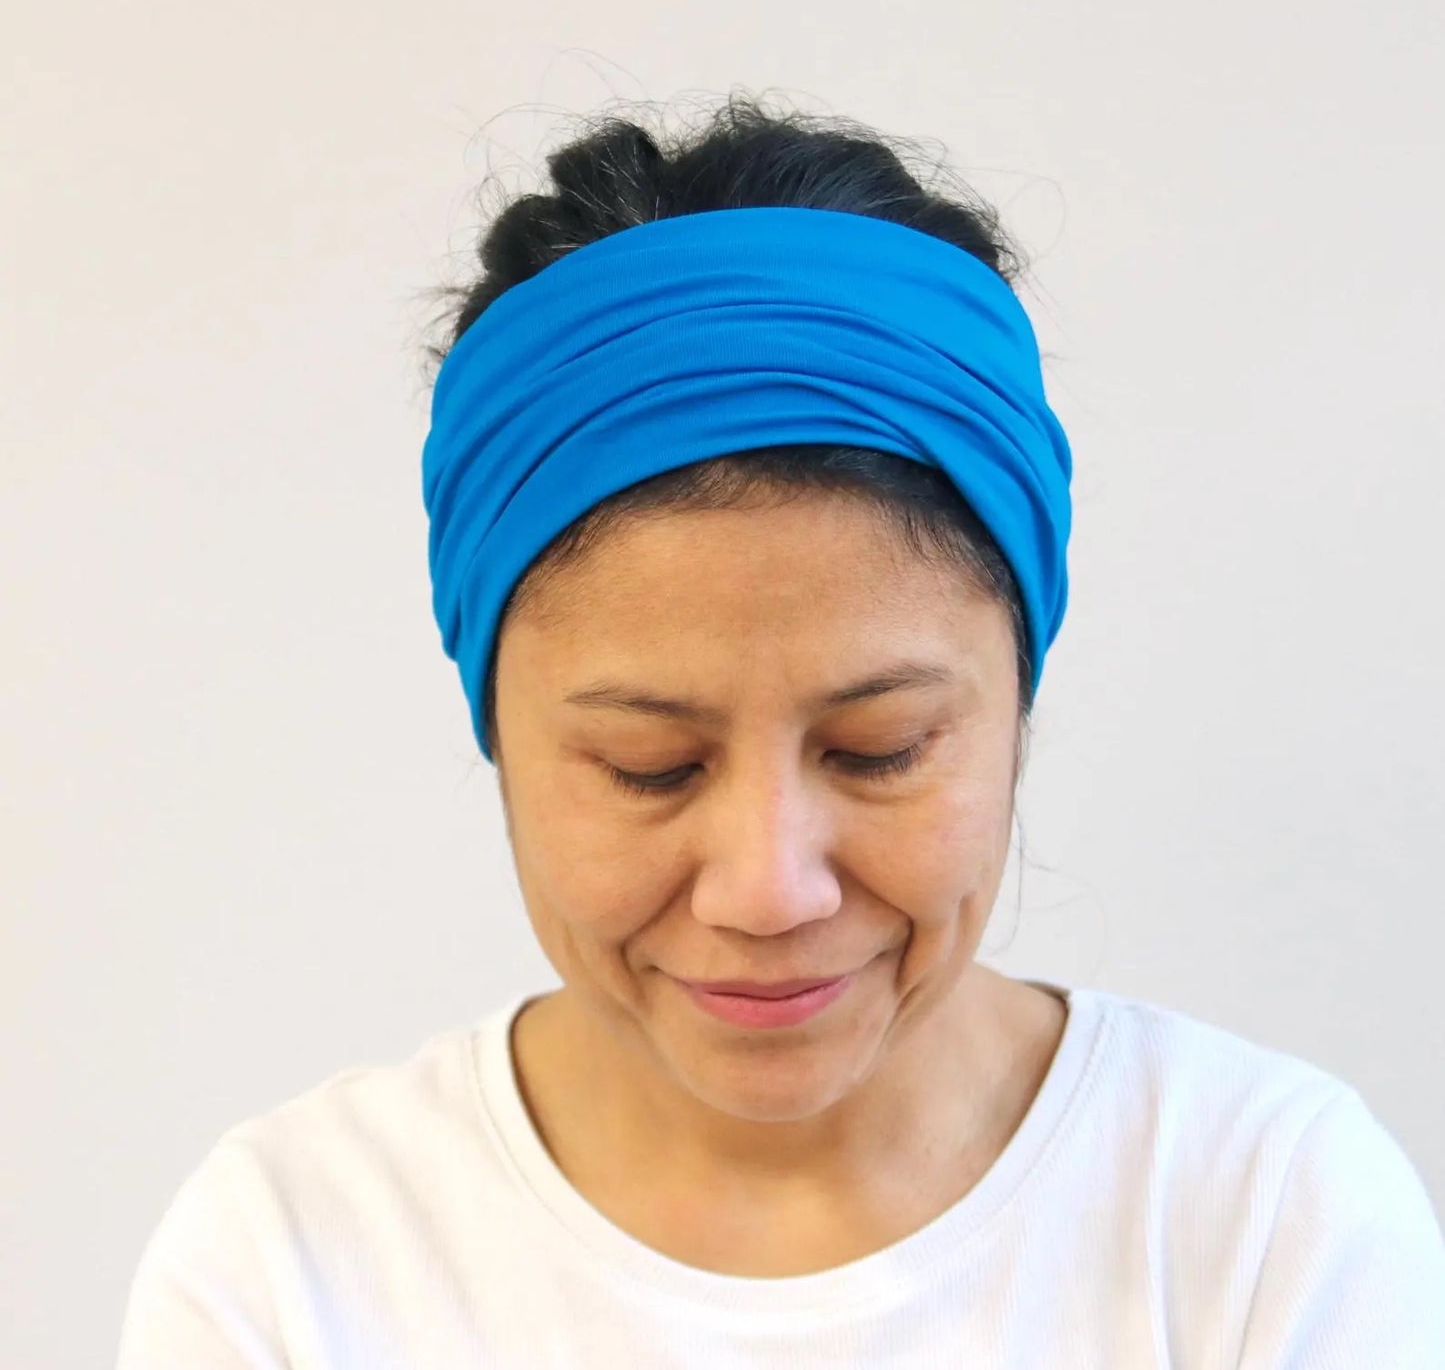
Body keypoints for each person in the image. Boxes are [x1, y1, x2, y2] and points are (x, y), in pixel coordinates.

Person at [116, 94, 1445, 1368]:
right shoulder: (293, 1260)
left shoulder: (1261, 1213)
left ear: (1015, 710)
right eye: (651, 766)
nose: (766, 888)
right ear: (499, 735)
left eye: (879, 748)